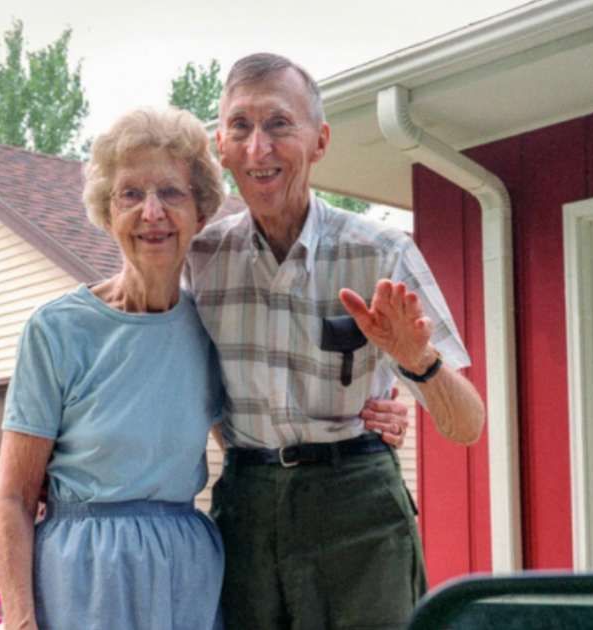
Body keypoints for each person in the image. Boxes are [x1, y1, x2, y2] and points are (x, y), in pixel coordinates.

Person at [184, 52, 486, 629]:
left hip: (358, 508)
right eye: (240, 127)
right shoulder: (199, 263)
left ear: (320, 141)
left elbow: (465, 425)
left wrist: (416, 362)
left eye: (278, 124)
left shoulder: (382, 253)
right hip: (244, 507)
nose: (257, 148)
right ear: (220, 145)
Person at [0, 107, 228, 629]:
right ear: (107, 210)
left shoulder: (214, 327)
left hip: (184, 573)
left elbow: (260, 434)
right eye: (130, 194)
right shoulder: (57, 330)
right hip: (81, 576)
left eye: (171, 192)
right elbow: (13, 497)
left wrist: (373, 412)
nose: (152, 212)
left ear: (200, 211)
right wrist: (20, 619)